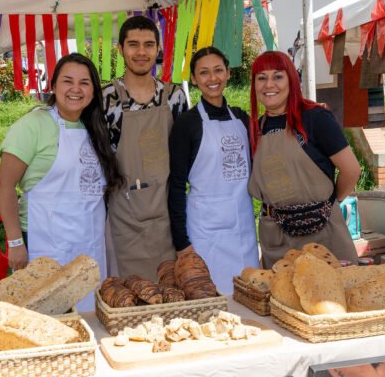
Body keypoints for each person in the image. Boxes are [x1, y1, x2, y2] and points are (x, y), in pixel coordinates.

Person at [0, 53, 121, 311]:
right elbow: (4, 185)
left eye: (85, 83)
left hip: (89, 243)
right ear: (53, 86)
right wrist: (15, 242)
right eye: (68, 81)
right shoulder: (33, 125)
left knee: (89, 317)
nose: (76, 89)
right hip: (45, 243)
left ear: (93, 91)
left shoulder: (95, 127)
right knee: (45, 317)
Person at [248, 51, 360, 268]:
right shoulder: (254, 129)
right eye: (261, 78)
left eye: (277, 76)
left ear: (291, 79)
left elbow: (352, 170)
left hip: (323, 236)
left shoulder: (316, 119)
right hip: (276, 240)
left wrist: (326, 204)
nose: (269, 84)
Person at [103, 16, 189, 281]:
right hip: (125, 217)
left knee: (172, 290)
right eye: (133, 44)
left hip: (168, 213)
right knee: (131, 296)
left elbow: (185, 155)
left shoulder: (174, 95)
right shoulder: (106, 98)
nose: (141, 52)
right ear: (120, 49)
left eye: (149, 44)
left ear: (158, 48)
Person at [168, 47, 259, 294]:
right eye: (204, 73)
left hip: (244, 229)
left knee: (249, 297)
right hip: (205, 233)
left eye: (218, 70)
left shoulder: (242, 119)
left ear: (228, 73)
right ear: (195, 79)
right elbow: (175, 185)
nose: (213, 78)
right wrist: (181, 242)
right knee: (212, 300)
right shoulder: (186, 124)